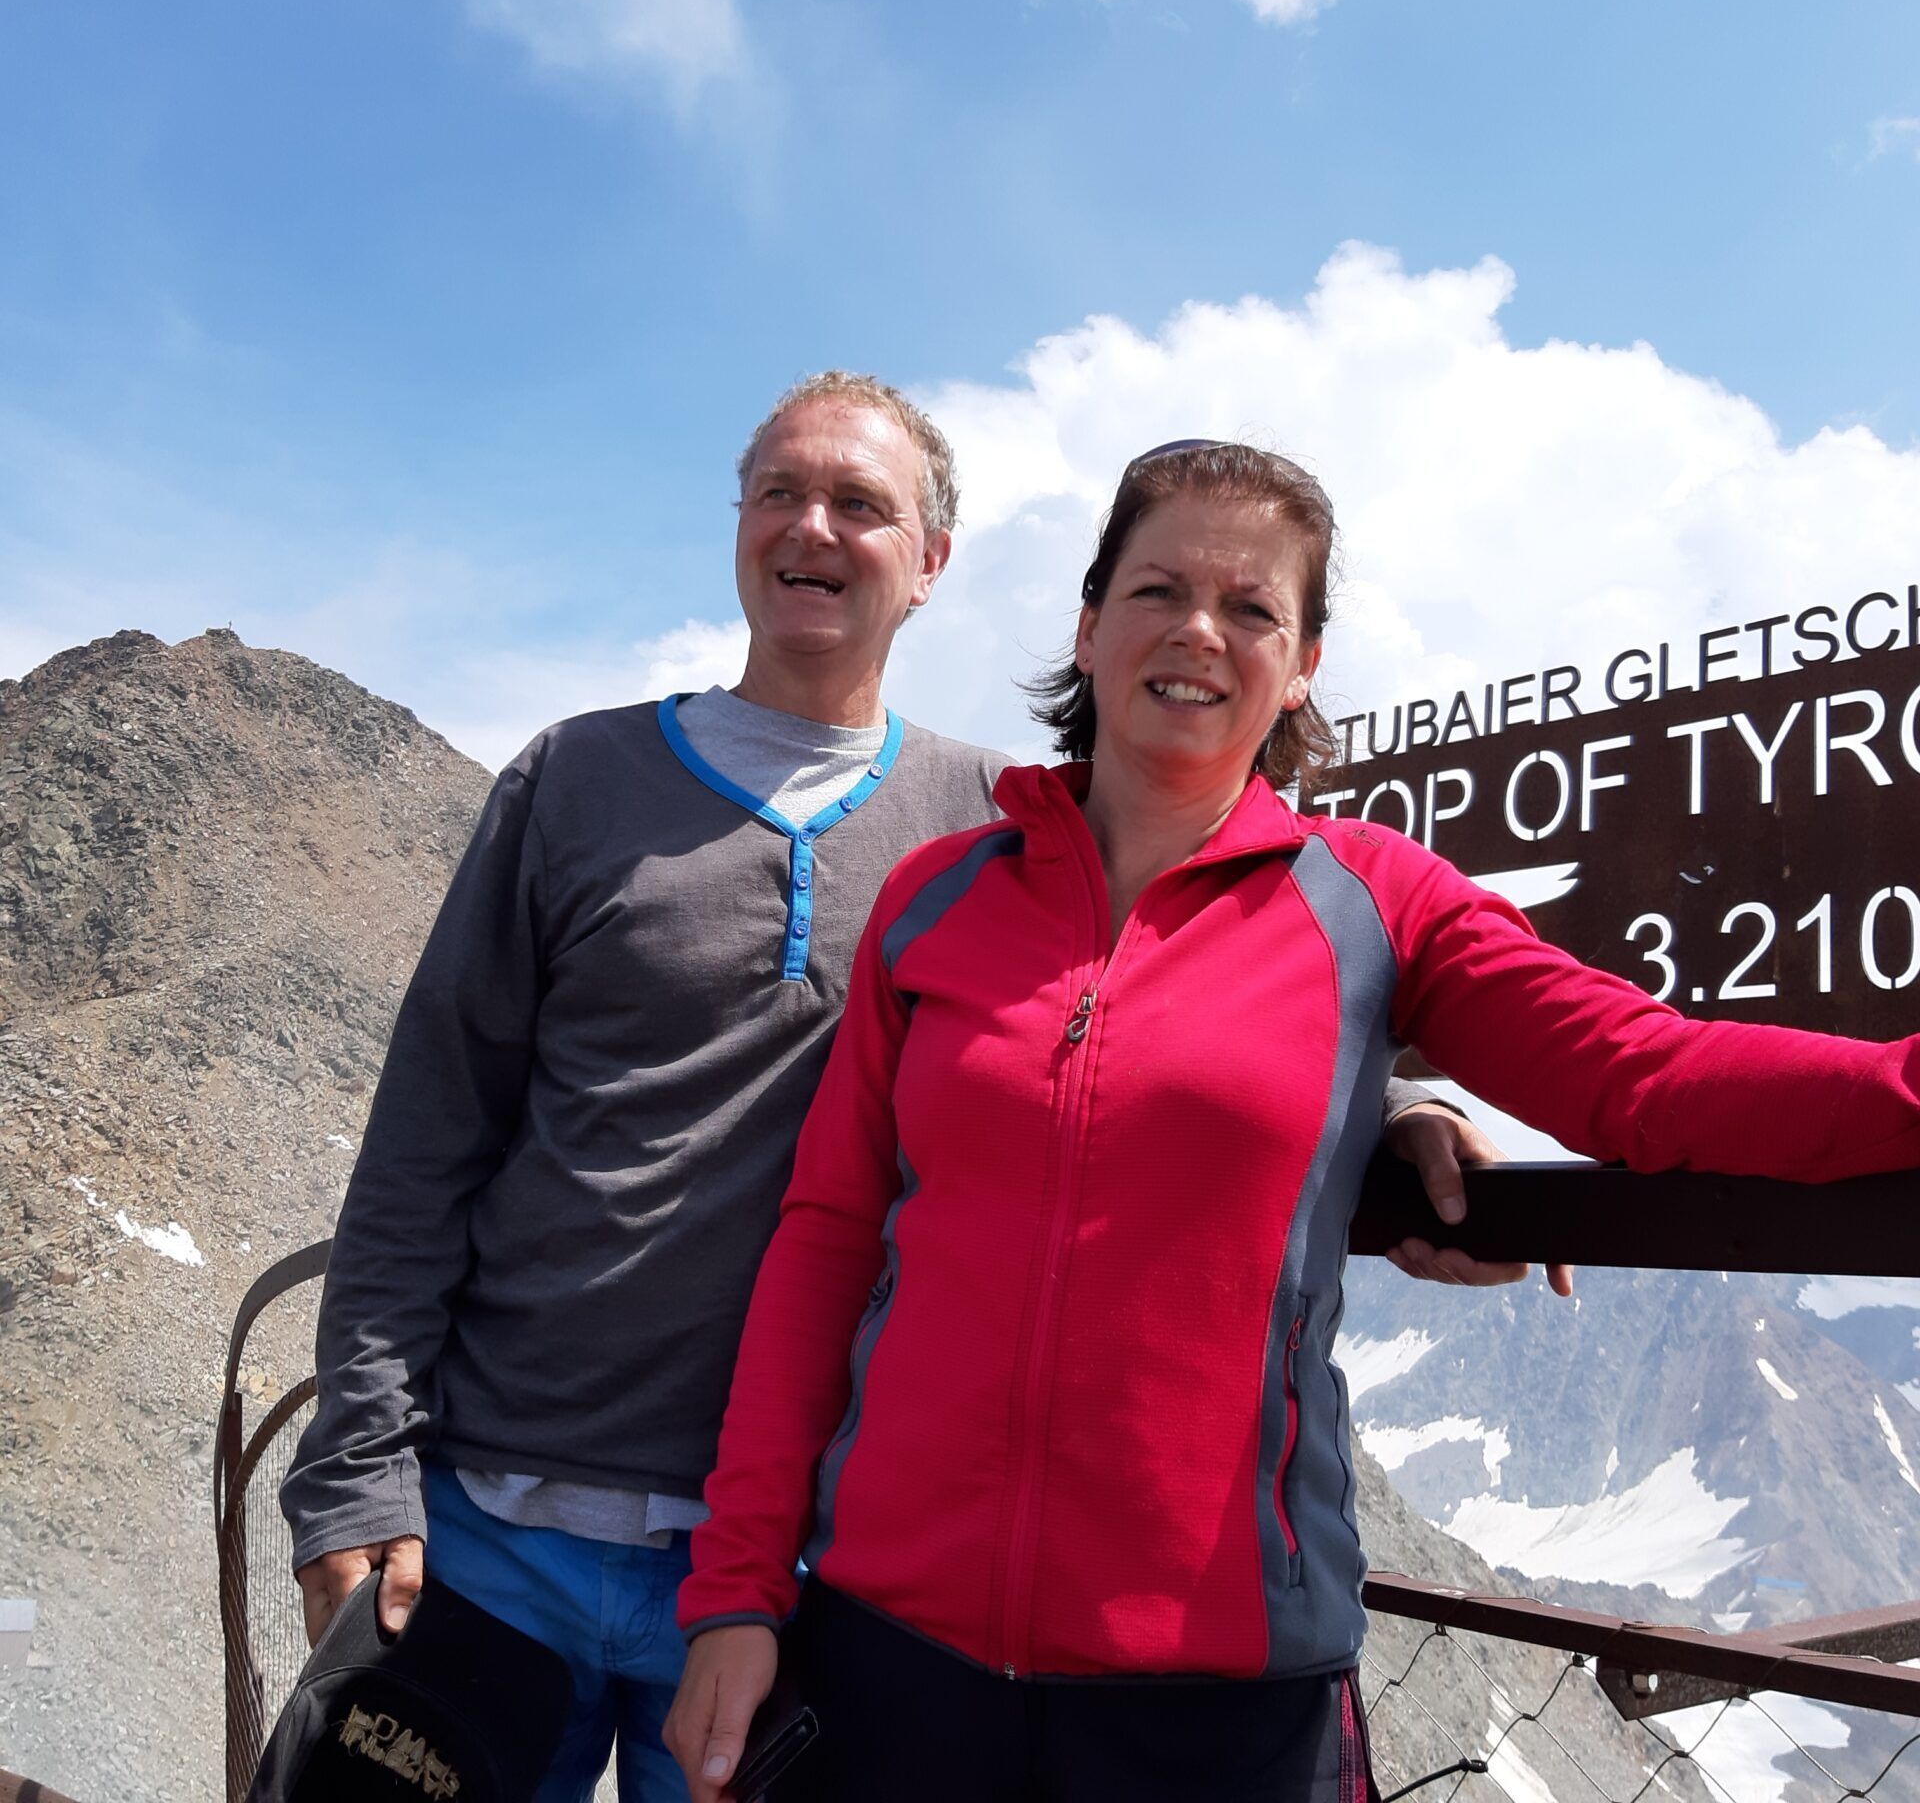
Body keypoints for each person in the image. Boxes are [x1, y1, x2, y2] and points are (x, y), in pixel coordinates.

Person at [666, 439, 1920, 1803]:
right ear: (1088, 628)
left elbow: (1642, 1076)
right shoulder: (936, 899)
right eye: (1158, 589)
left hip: (1223, 1710)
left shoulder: (1377, 901)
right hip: (888, 1669)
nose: (1200, 630)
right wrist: (736, 1596)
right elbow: (829, 1240)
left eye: (1254, 607)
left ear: (1302, 663)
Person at [280, 388, 1488, 1803]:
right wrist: (358, 1464)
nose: (814, 528)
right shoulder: (572, 779)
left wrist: (1397, 1111)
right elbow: (427, 1143)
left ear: (932, 563)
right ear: (737, 529)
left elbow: (1197, 995)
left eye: (863, 506)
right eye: (780, 493)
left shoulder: (996, 827)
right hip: (490, 1528)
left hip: (786, 1575)